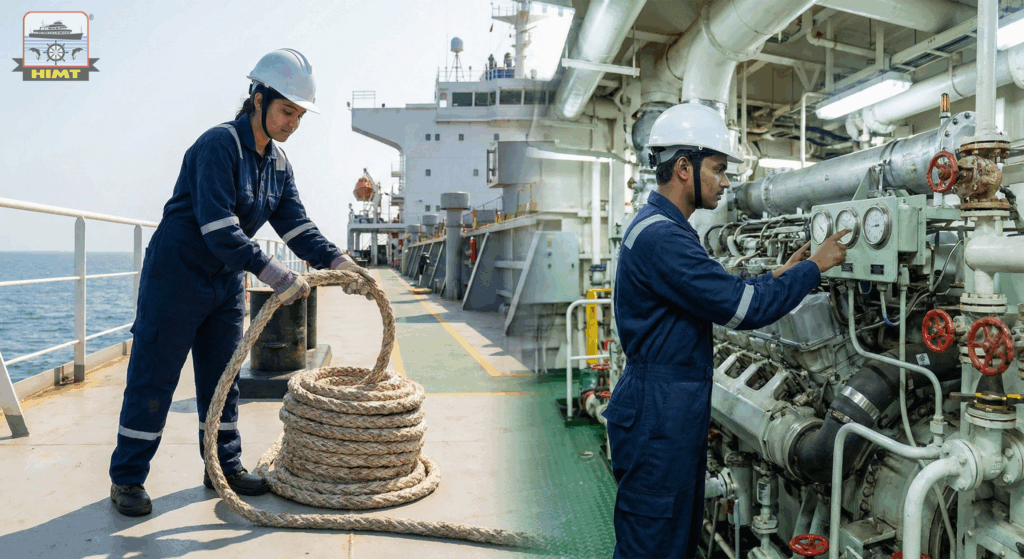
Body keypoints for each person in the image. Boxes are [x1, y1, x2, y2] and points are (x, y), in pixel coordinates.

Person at [109, 48, 372, 517]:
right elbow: (218, 228)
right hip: (176, 276)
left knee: (224, 379)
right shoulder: (218, 146)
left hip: (224, 282)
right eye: (286, 110)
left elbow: (296, 226)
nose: (293, 122)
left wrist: (342, 261)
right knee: (154, 379)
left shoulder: (278, 164)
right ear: (258, 99)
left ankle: (222, 467)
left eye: (300, 114)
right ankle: (128, 479)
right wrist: (275, 274)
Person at [602, 103, 849, 558]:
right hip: (660, 414)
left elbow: (719, 290)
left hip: (667, 408)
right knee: (652, 544)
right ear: (683, 168)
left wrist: (780, 274)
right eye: (717, 168)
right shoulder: (664, 238)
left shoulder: (661, 227)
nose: (726, 180)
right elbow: (744, 308)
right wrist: (814, 268)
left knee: (673, 537)